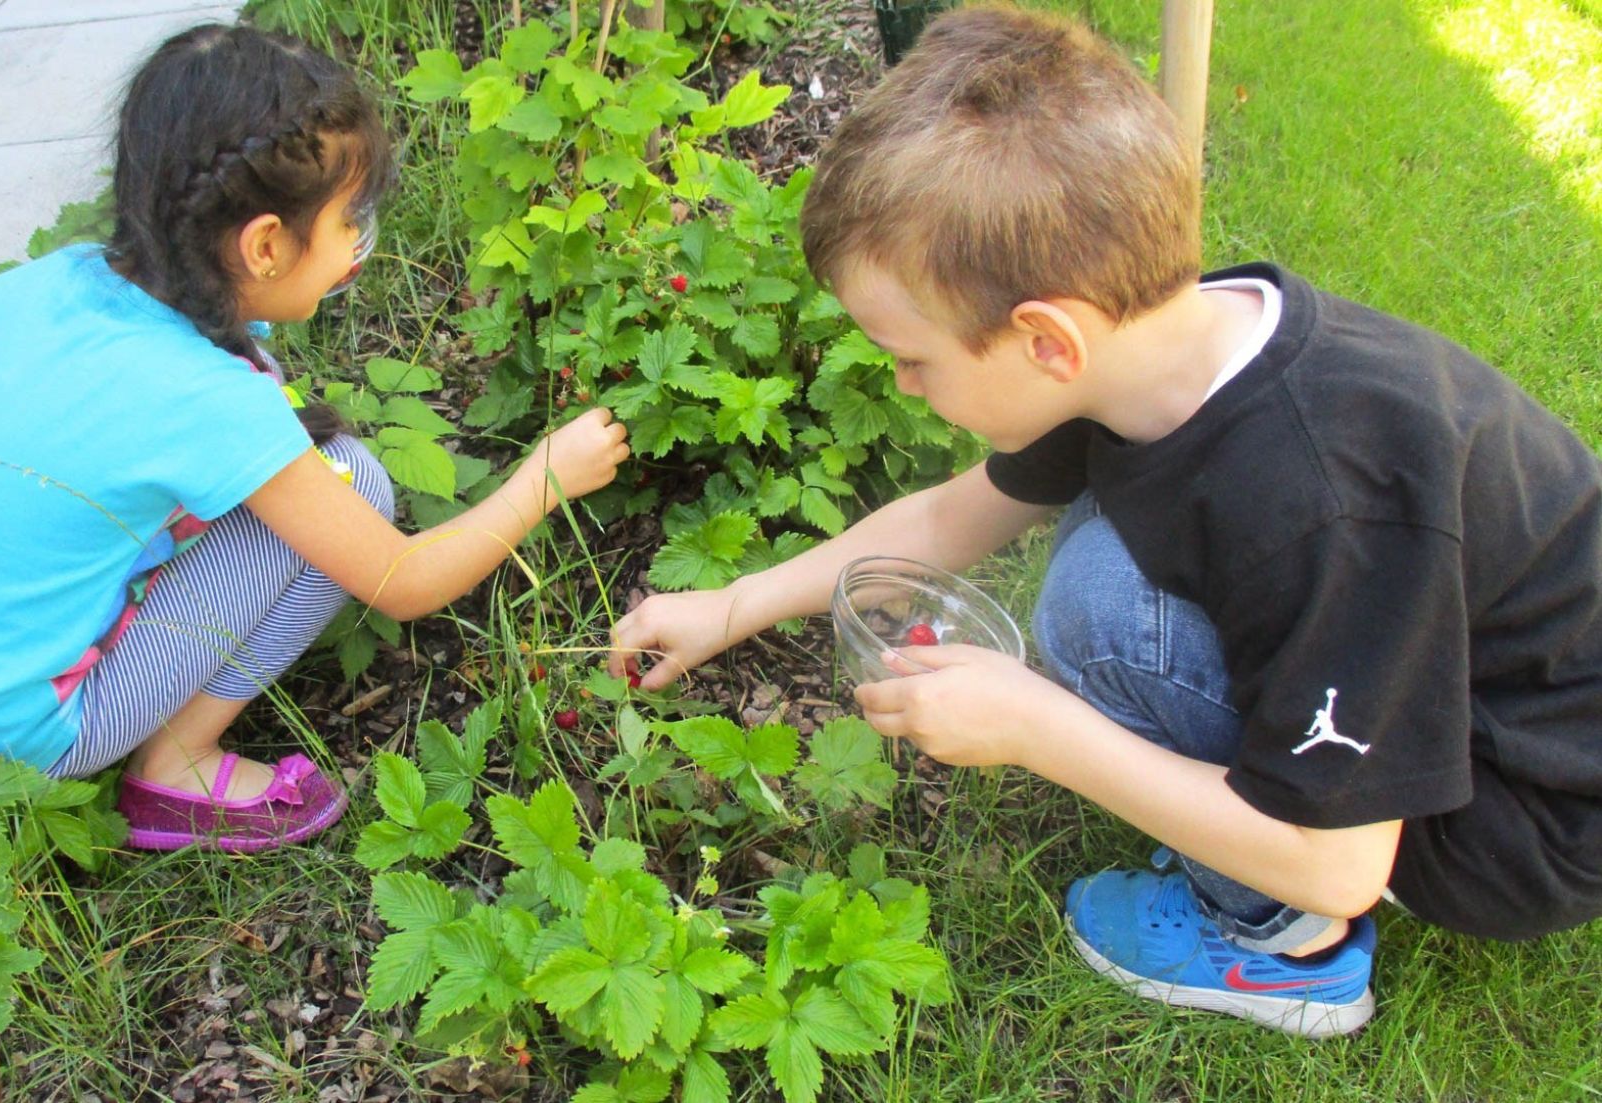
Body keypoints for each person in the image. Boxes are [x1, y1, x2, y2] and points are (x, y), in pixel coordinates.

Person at [607, 5, 1602, 1036]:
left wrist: (1037, 728)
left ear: (1044, 340)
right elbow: (958, 513)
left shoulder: (1318, 498)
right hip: (1474, 685)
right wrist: (730, 605)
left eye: (911, 357)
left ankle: (1280, 945)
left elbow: (1341, 858)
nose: (900, 383)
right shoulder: (1155, 347)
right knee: (1101, 573)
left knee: (1099, 614)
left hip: (1522, 810)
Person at [0, 24, 629, 853]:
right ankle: (176, 765)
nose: (356, 247)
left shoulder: (55, 280)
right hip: (14, 740)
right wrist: (544, 477)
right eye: (350, 222)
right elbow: (402, 582)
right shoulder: (207, 400)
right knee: (354, 482)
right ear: (265, 244)